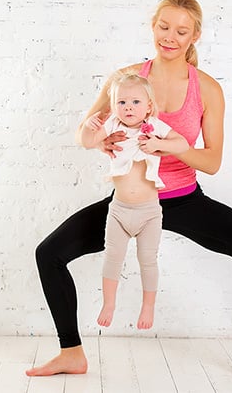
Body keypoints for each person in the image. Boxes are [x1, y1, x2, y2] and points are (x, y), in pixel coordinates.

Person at [26, 0, 232, 380]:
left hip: (184, 201)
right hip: (128, 202)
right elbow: (85, 131)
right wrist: (98, 138)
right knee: (49, 253)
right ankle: (71, 352)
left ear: (195, 36)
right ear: (153, 26)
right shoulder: (126, 79)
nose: (169, 37)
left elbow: (213, 161)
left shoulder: (207, 89)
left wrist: (176, 148)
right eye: (163, 27)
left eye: (181, 31)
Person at [80, 72, 188, 330]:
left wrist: (158, 144)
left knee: (147, 259)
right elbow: (87, 143)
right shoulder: (113, 126)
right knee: (113, 257)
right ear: (115, 105)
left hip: (149, 212)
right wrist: (88, 126)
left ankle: (148, 306)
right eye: (122, 102)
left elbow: (182, 144)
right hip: (118, 211)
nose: (128, 107)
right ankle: (109, 303)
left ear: (149, 105)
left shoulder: (154, 127)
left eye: (136, 102)